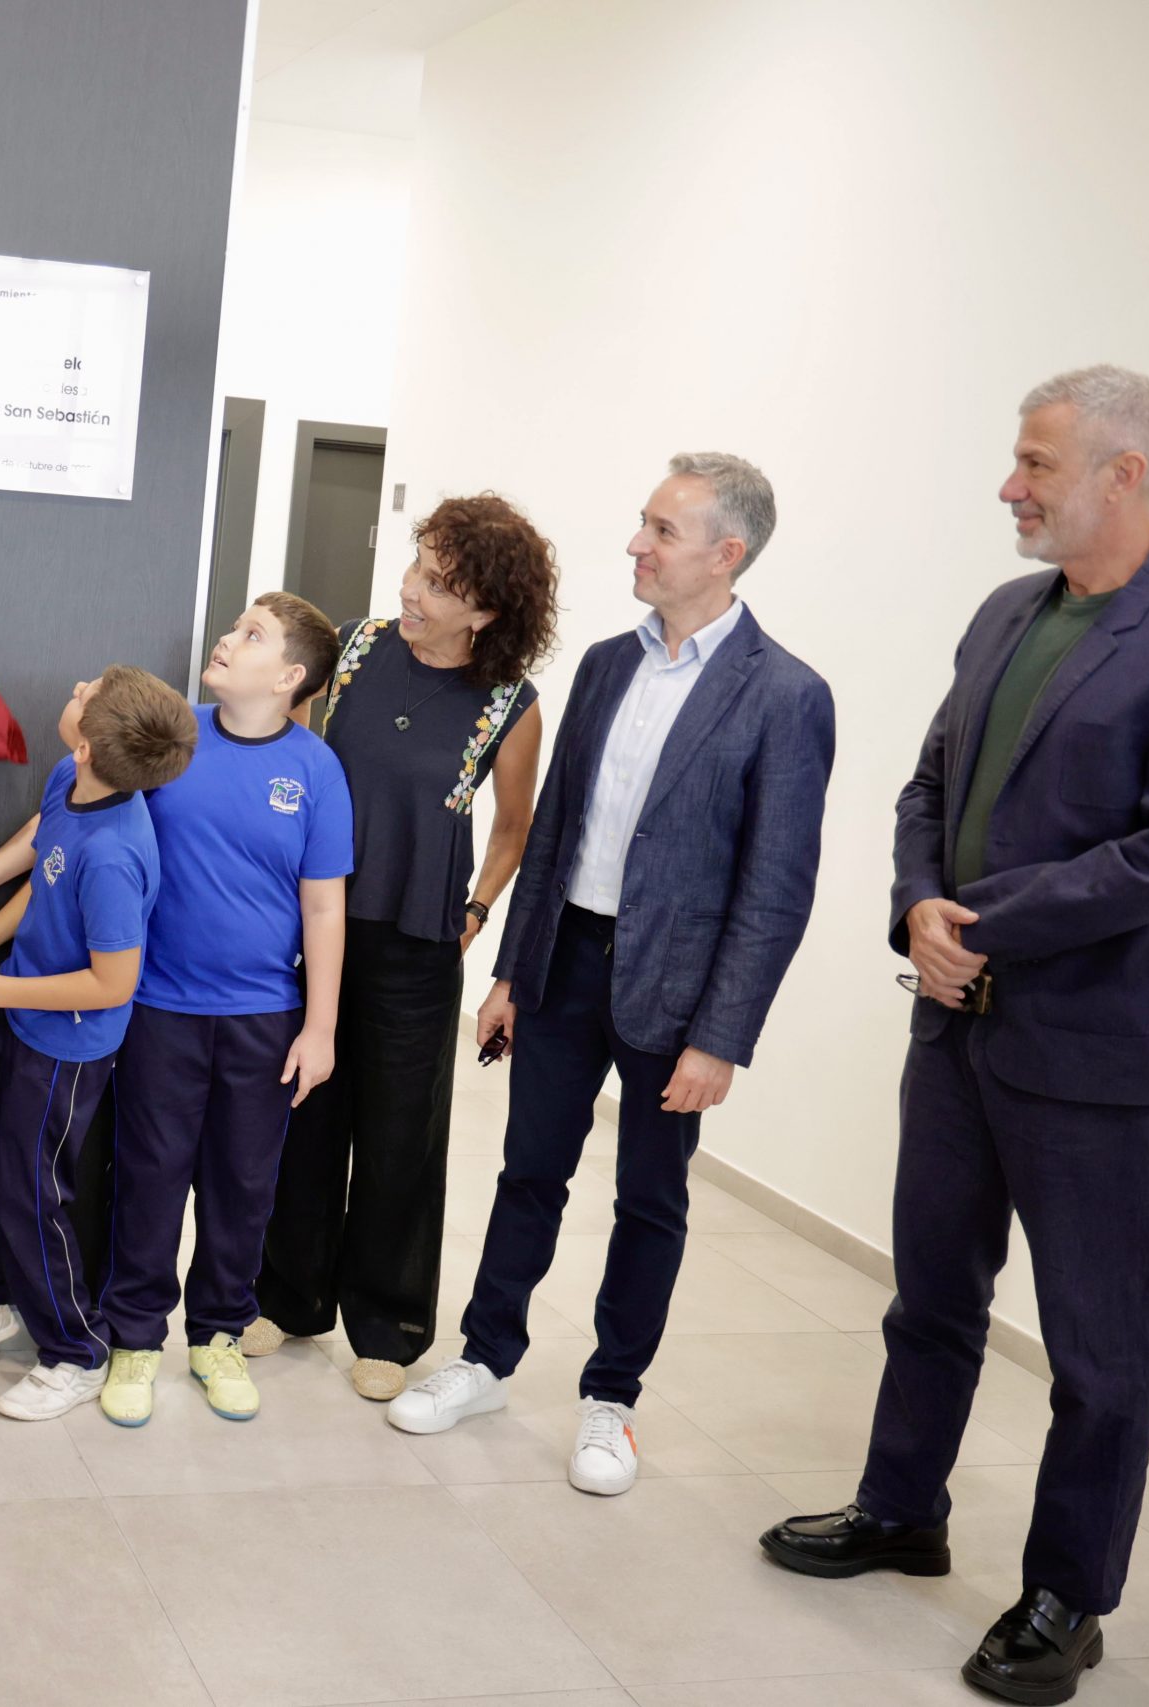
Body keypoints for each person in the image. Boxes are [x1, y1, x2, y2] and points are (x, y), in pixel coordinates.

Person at [761, 367, 1149, 1706]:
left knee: (1100, 1347)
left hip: (1101, 1049)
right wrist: (916, 906)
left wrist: (979, 921)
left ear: (1123, 473)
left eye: (1036, 463)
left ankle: (1068, 1597)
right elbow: (928, 782)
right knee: (932, 1294)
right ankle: (900, 1508)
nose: (1009, 486)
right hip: (957, 1021)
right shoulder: (1006, 612)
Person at [391, 454, 834, 1502]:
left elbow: (776, 889)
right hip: (566, 964)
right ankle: (485, 1358)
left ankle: (611, 1398)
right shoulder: (602, 666)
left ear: (725, 554)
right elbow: (550, 834)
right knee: (528, 1172)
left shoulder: (784, 696)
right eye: (642, 523)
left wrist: (720, 1037)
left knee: (649, 1200)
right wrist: (511, 973)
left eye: (661, 531)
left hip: (676, 992)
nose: (637, 544)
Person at [244, 496, 557, 1401]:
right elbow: (290, 758)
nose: (412, 590)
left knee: (399, 1140)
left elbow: (515, 825)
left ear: (485, 610)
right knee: (305, 1114)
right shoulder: (355, 647)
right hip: (317, 923)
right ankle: (287, 1296)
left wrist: (477, 908)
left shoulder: (511, 704)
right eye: (417, 567)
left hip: (420, 940)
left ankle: (387, 1326)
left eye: (439, 583)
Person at [0, 666, 196, 1422]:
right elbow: (43, 852)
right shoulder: (73, 779)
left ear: (88, 747)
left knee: (28, 1194)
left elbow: (112, 983)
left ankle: (75, 1353)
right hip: (14, 1001)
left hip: (66, 1042)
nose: (79, 684)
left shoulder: (115, 856)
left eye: (87, 693)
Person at [96, 593, 350, 1426]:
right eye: (235, 625)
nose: (227, 640)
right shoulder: (174, 739)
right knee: (150, 1176)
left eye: (252, 635)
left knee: (243, 1186)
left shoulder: (315, 770)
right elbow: (93, 831)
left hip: (264, 1018)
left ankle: (217, 1336)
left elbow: (324, 907)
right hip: (159, 1007)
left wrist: (320, 1028)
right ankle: (135, 1339)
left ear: (288, 676)